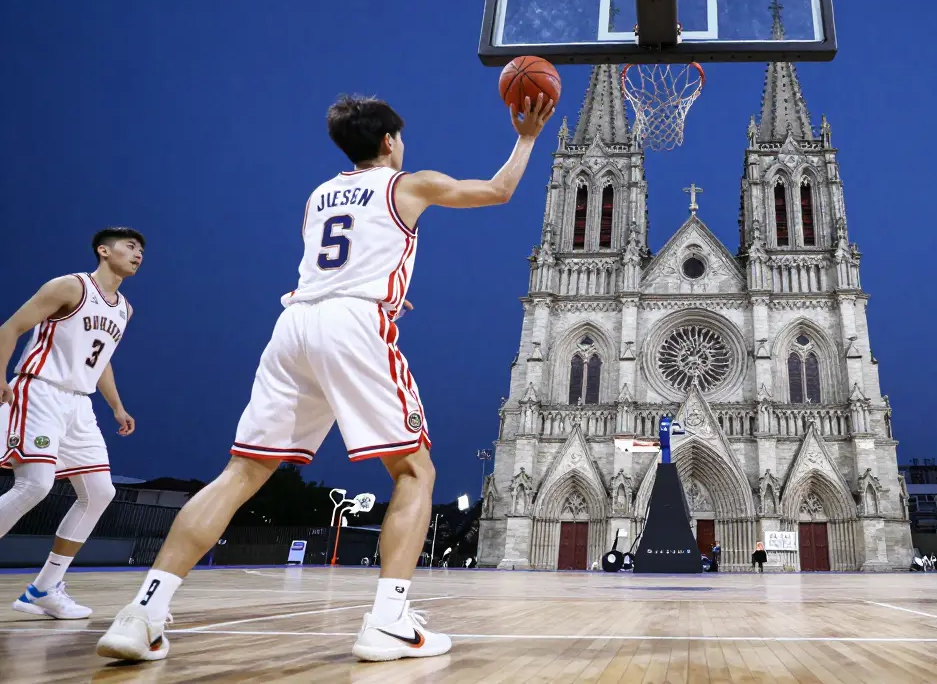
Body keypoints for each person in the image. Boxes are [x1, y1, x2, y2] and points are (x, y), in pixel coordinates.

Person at [96, 92, 555, 663]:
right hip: (353, 324)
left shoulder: (319, 196)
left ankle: (143, 612)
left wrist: (379, 294)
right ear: (389, 141)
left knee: (240, 473)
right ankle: (388, 621)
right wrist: (528, 136)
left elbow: (342, 260)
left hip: (294, 324)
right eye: (400, 138)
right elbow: (498, 191)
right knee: (415, 470)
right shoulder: (406, 184)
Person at [0, 228, 143, 618]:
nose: (137, 254)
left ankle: (42, 589)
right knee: (35, 484)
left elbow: (102, 360)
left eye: (141, 250)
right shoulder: (69, 287)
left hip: (80, 403)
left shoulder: (124, 309)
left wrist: (117, 406)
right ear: (103, 250)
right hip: (41, 388)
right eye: (130, 246)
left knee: (100, 492)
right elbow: (10, 327)